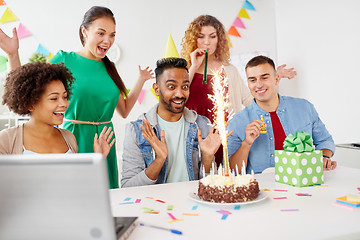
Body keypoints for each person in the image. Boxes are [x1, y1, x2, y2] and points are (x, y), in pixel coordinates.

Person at [0, 6, 154, 188]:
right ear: (84, 31)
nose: (107, 40)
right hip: (75, 136)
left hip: (106, 141)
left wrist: (141, 80)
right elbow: (24, 86)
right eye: (101, 33)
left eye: (112, 35)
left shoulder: (110, 67)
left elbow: (125, 110)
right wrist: (12, 54)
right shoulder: (65, 59)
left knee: (106, 197)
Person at [180, 15, 296, 166]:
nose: (207, 42)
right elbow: (177, 96)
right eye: (201, 37)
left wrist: (272, 77)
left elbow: (249, 100)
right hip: (193, 136)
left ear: (219, 39)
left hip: (223, 136)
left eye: (212, 36)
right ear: (194, 39)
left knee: (221, 179)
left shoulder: (229, 69)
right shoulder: (185, 69)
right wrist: (194, 66)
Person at [121, 58, 229, 188]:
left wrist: (208, 157)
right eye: (171, 87)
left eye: (185, 87)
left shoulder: (202, 124)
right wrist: (159, 160)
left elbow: (212, 186)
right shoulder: (137, 130)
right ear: (156, 89)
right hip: (155, 205)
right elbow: (128, 187)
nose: (180, 94)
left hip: (193, 202)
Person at [227, 55, 336, 174]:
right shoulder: (237, 122)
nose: (258, 85)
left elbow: (325, 141)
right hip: (262, 190)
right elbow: (232, 171)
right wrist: (246, 144)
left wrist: (325, 158)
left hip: (303, 185)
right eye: (252, 80)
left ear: (277, 79)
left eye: (264, 78)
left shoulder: (304, 108)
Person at [0, 62, 114, 157]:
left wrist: (99, 158)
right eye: (54, 98)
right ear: (30, 104)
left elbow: (76, 182)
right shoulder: (6, 140)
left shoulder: (69, 138)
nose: (64, 104)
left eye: (65, 97)